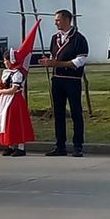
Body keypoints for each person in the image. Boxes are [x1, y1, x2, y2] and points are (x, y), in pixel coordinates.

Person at [40, 9, 89, 156]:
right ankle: (60, 145)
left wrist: (57, 63)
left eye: (58, 20)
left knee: (76, 112)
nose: (55, 22)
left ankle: (78, 145)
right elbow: (53, 55)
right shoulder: (55, 38)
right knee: (58, 113)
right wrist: (48, 62)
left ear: (67, 20)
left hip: (72, 81)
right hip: (57, 80)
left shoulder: (79, 39)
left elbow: (79, 61)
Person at [0, 53, 34, 157]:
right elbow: (2, 84)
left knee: (16, 122)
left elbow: (13, 90)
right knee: (5, 122)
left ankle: (20, 147)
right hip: (5, 100)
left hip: (15, 100)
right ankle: (8, 145)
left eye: (6, 60)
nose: (4, 62)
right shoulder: (7, 73)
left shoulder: (17, 74)